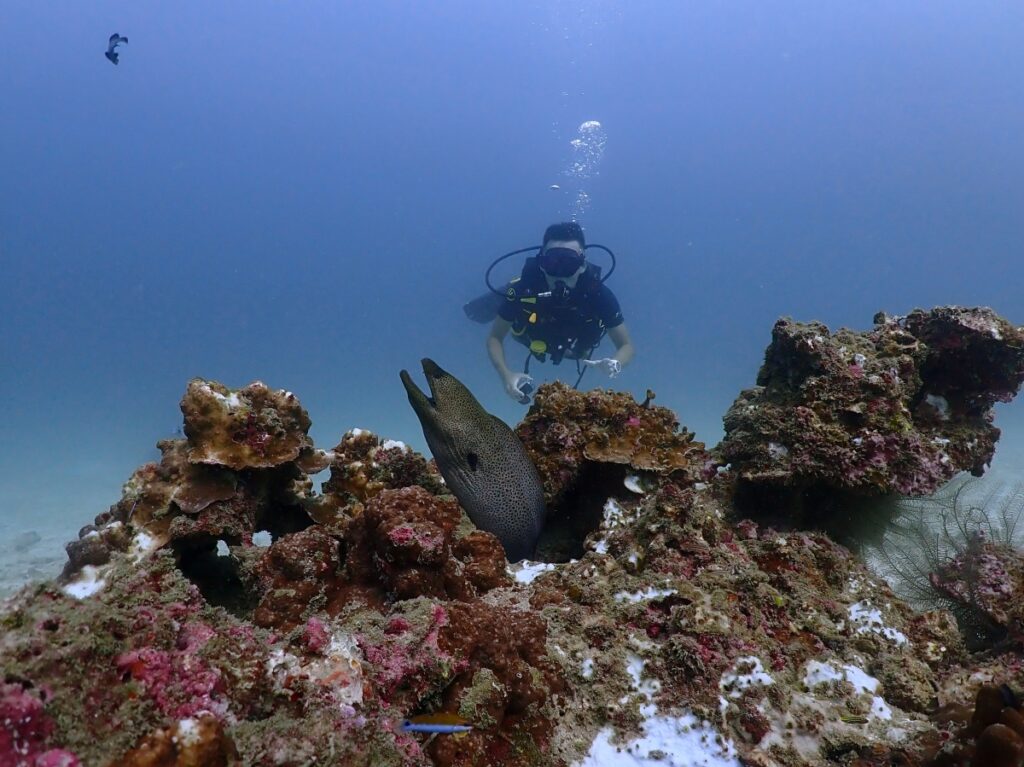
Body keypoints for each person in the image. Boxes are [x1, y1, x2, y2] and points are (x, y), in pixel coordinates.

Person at [484, 222, 635, 403]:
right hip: (530, 339)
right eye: (552, 263)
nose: (560, 274)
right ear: (541, 263)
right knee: (508, 294)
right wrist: (506, 376)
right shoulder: (523, 289)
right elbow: (495, 337)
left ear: (582, 265)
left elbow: (626, 345)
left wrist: (616, 363)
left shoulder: (598, 294)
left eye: (569, 263)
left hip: (577, 349)